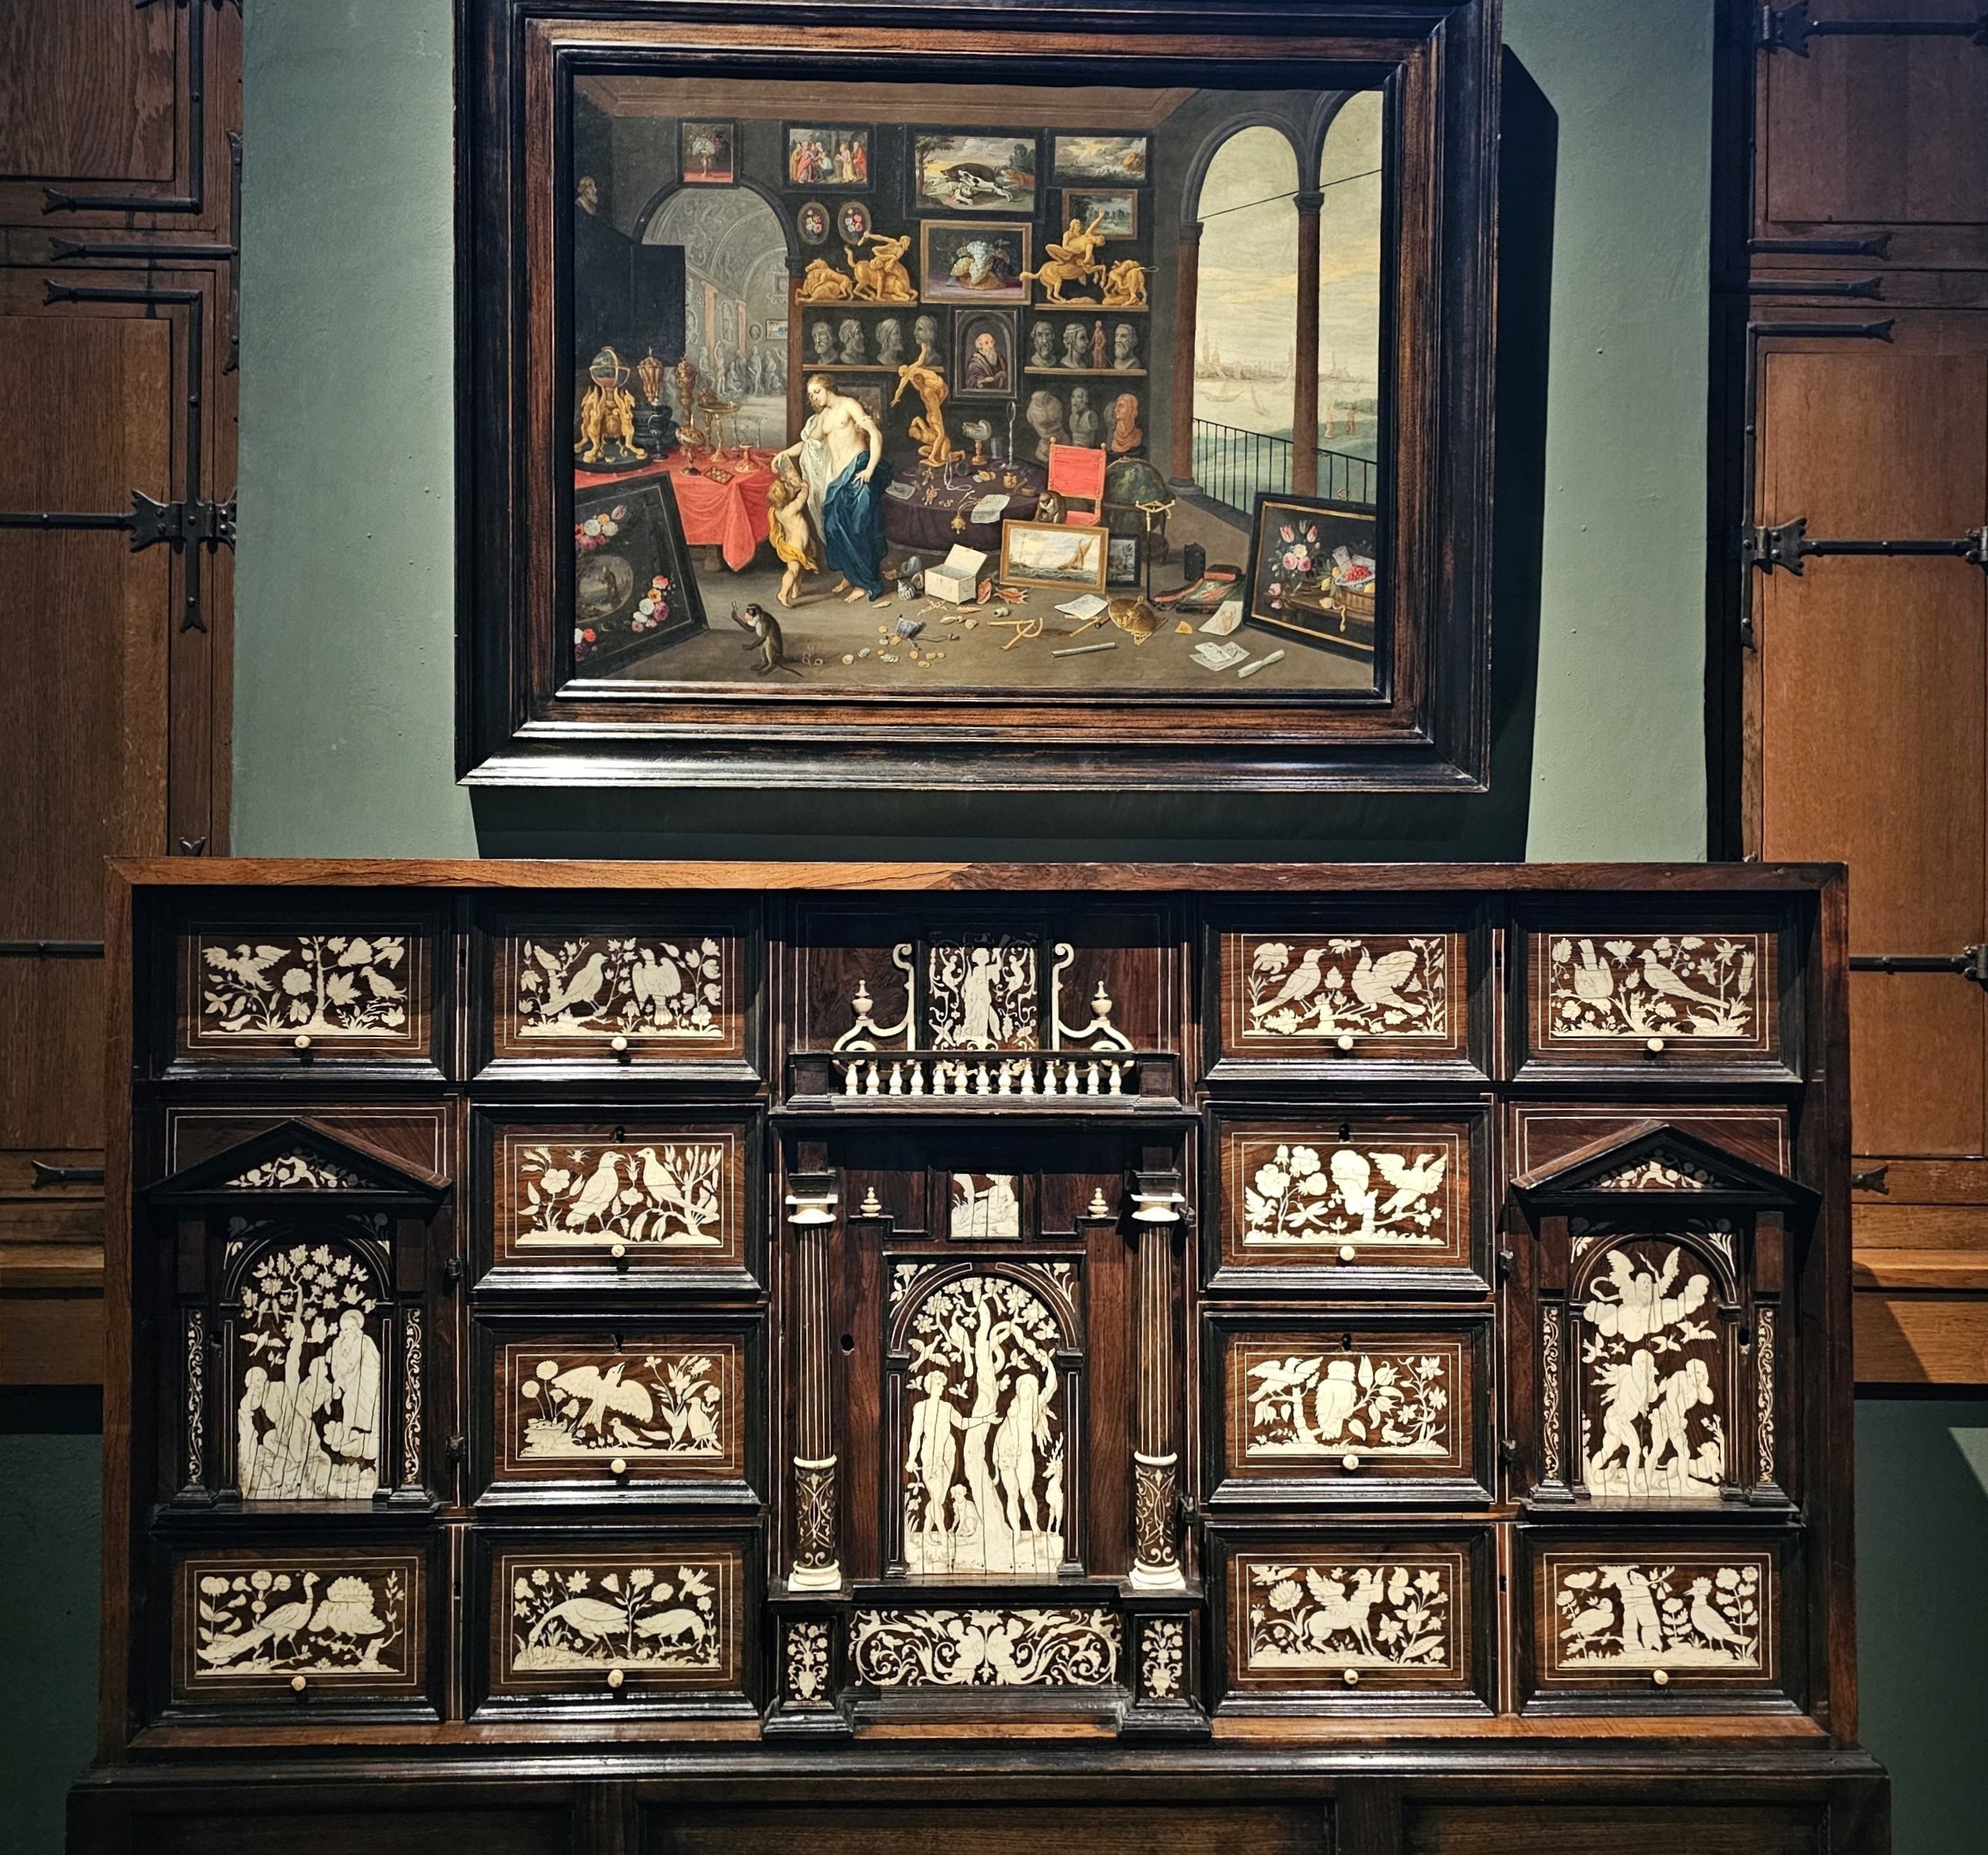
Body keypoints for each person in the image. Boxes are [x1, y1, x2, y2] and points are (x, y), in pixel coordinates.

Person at [776, 374, 892, 603]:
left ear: (829, 388)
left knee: (857, 529)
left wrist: (870, 468)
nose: (814, 397)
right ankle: (850, 575)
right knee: (833, 528)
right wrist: (786, 453)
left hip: (858, 472)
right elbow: (808, 445)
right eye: (811, 394)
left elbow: (875, 434)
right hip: (838, 480)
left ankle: (865, 583)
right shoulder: (823, 418)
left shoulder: (849, 405)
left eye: (817, 391)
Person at [764, 453, 821, 607]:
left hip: (797, 546)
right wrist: (805, 487)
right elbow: (802, 498)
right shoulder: (790, 509)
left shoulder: (778, 510)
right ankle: (783, 593)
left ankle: (796, 591)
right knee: (794, 570)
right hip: (794, 548)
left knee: (799, 570)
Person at [964, 328, 1007, 393]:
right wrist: (985, 380)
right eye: (987, 343)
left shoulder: (999, 357)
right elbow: (974, 381)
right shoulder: (975, 362)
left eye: (992, 342)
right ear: (980, 345)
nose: (991, 346)